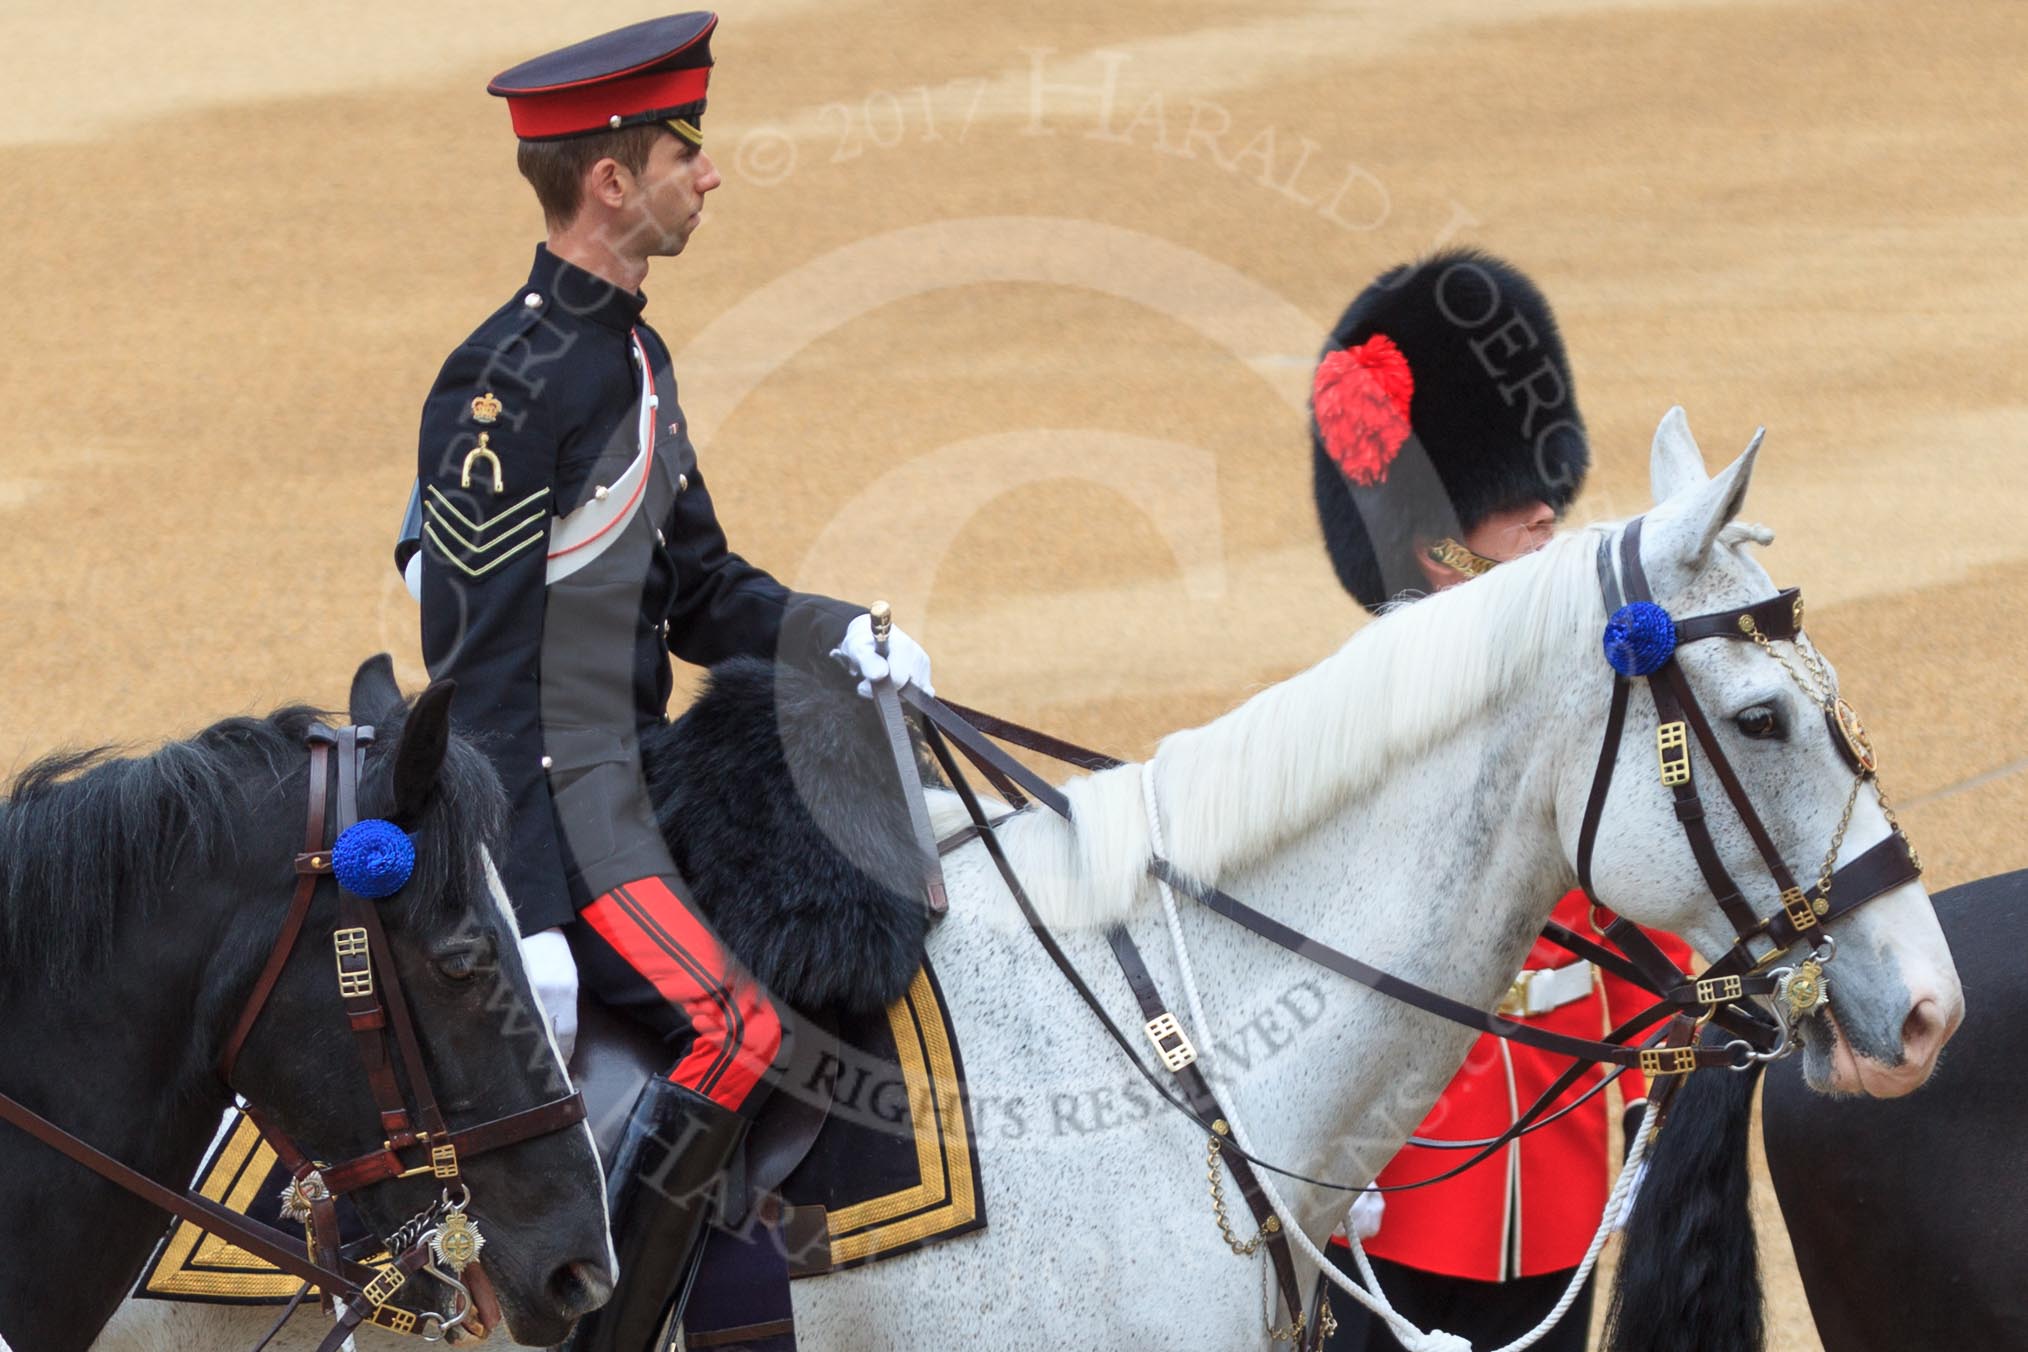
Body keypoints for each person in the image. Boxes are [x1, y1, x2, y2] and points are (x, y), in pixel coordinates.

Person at [401, 15, 933, 1349]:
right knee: (737, 1027)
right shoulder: (502, 389)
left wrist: (834, 635)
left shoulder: (635, 358)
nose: (713, 177)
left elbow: (700, 590)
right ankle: (606, 1329)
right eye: (685, 154)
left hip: (636, 782)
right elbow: (477, 672)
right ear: (610, 183)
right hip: (561, 807)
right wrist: (518, 900)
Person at [1307, 249, 1695, 1352]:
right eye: (1507, 500)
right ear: (1431, 532)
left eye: (1540, 491)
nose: (1543, 515)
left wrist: (1663, 1070)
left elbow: (1631, 897)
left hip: (1560, 1153)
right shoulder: (1358, 724)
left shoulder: (1574, 691)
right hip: (1406, 1177)